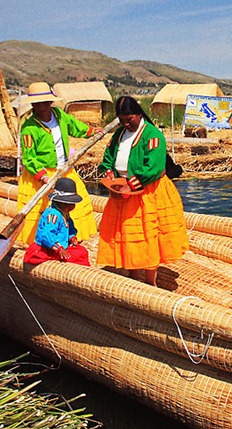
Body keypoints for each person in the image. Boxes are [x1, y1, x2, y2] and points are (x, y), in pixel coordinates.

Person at [97, 96, 189, 286]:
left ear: (139, 114)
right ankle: (132, 275)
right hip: (122, 191)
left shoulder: (152, 135)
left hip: (148, 192)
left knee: (148, 235)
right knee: (128, 234)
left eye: (129, 119)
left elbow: (154, 167)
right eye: (122, 120)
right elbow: (108, 157)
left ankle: (149, 281)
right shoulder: (119, 134)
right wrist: (110, 178)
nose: (125, 123)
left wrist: (130, 185)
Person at [17, 82, 98, 245]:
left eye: (44, 102)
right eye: (37, 104)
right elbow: (29, 158)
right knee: (44, 211)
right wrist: (43, 177)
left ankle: (72, 239)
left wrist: (94, 133)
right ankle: (45, 243)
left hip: (64, 170)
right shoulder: (29, 128)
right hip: (40, 175)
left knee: (73, 207)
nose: (41, 107)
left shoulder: (60, 115)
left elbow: (76, 127)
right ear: (32, 104)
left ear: (50, 102)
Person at [23, 178, 90, 266]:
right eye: (66, 203)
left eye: (72, 204)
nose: (70, 207)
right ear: (57, 201)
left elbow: (69, 228)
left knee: (82, 251)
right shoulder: (53, 215)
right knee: (74, 256)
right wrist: (59, 249)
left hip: (62, 244)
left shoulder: (64, 213)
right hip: (48, 248)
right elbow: (47, 235)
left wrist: (71, 237)